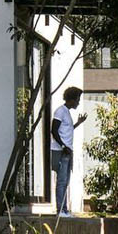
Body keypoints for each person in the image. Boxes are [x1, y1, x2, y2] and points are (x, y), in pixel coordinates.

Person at [50, 86, 86, 216]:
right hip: (61, 151)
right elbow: (54, 130)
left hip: (67, 151)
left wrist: (78, 123)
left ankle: (64, 209)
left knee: (65, 181)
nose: (78, 102)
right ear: (71, 99)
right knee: (61, 181)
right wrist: (63, 146)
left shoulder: (66, 112)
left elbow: (66, 131)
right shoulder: (60, 111)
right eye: (77, 99)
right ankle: (60, 210)